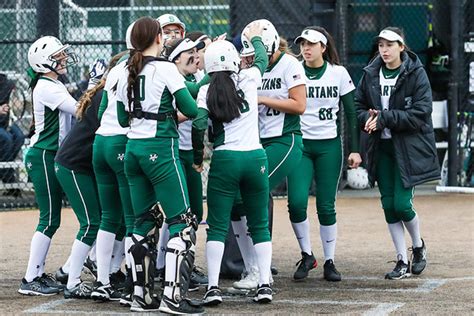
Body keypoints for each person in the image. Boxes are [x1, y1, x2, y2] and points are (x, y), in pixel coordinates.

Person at [115, 17, 202, 314]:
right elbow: (189, 110)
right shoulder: (165, 68)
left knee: (142, 222)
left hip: (133, 149)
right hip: (160, 149)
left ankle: (141, 296)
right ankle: (173, 297)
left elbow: (122, 118)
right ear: (156, 39)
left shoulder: (127, 68)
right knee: (183, 221)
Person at [192, 22, 272, 306]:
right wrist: (256, 39)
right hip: (255, 158)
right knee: (259, 225)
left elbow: (199, 122)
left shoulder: (206, 90)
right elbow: (261, 59)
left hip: (225, 159)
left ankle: (213, 287)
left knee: (215, 226)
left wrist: (197, 157)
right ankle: (264, 283)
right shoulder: (249, 77)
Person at [355, 27, 438, 279]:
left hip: (407, 150)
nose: (384, 50)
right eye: (381, 45)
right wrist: (367, 119)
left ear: (402, 46)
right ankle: (402, 260)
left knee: (402, 204)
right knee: (389, 207)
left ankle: (418, 246)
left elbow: (421, 113)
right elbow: (358, 106)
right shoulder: (370, 73)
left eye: (390, 45)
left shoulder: (416, 73)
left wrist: (384, 119)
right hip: (381, 148)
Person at [231, 19, 307, 290]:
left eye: (257, 49)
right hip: (255, 144)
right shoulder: (251, 68)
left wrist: (262, 99)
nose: (251, 56)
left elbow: (299, 105)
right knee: (238, 202)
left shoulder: (290, 64)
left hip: (285, 141)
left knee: (250, 193)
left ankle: (259, 272)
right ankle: (251, 267)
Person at [286, 26, 361, 282]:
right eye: (302, 44)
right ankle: (307, 254)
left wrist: (355, 148)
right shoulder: (292, 69)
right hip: (300, 145)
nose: (305, 48)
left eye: (311, 44)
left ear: (323, 47)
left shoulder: (337, 73)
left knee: (325, 205)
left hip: (329, 145)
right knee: (296, 202)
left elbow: (351, 112)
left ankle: (329, 260)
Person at [18, 36, 79, 296]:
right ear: (44, 62)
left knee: (52, 218)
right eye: (58, 56)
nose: (63, 59)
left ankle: (38, 274)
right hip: (44, 153)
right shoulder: (47, 86)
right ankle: (31, 277)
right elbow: (80, 110)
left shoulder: (52, 83)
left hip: (51, 153)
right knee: (49, 218)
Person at [89, 22, 137, 305]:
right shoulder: (142, 68)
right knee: (133, 218)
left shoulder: (118, 67)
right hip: (121, 141)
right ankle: (134, 280)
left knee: (109, 217)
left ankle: (102, 281)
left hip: (101, 142)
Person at [53, 58, 108, 299]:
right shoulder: (106, 96)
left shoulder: (106, 93)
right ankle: (73, 281)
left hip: (81, 166)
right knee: (91, 223)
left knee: (99, 219)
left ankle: (67, 270)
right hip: (73, 166)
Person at [158, 37, 210, 291]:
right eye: (189, 52)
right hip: (175, 150)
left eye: (195, 51)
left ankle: (177, 264)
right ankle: (166, 267)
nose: (196, 56)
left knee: (194, 214)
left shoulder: (186, 79)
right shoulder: (173, 78)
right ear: (176, 57)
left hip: (187, 153)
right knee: (179, 213)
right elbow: (196, 97)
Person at [0, 74, 25, 196]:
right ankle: (10, 181)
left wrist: (12, 105)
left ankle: (4, 170)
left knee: (20, 137)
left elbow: (16, 103)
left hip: (5, 121)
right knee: (7, 139)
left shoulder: (5, 82)